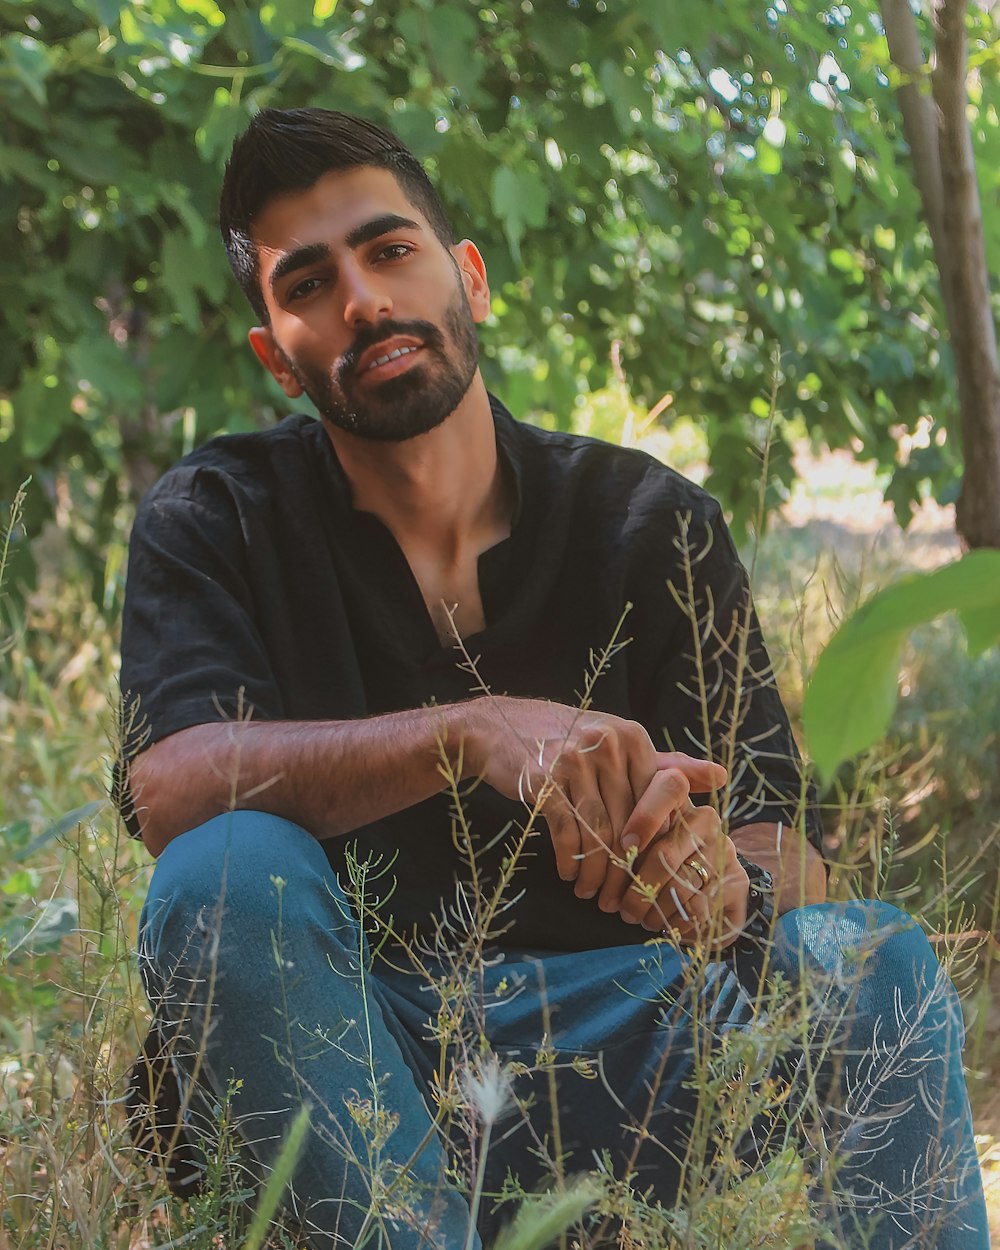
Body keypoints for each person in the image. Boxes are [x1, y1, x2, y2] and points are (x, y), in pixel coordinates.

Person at [119, 107, 990, 1249]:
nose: (365, 300)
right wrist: (469, 731)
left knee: (870, 955)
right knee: (224, 868)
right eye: (310, 283)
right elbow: (169, 787)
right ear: (275, 352)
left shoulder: (650, 521)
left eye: (390, 251)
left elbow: (792, 857)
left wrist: (716, 877)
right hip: (348, 1068)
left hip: (633, 1043)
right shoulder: (214, 516)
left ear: (467, 279)